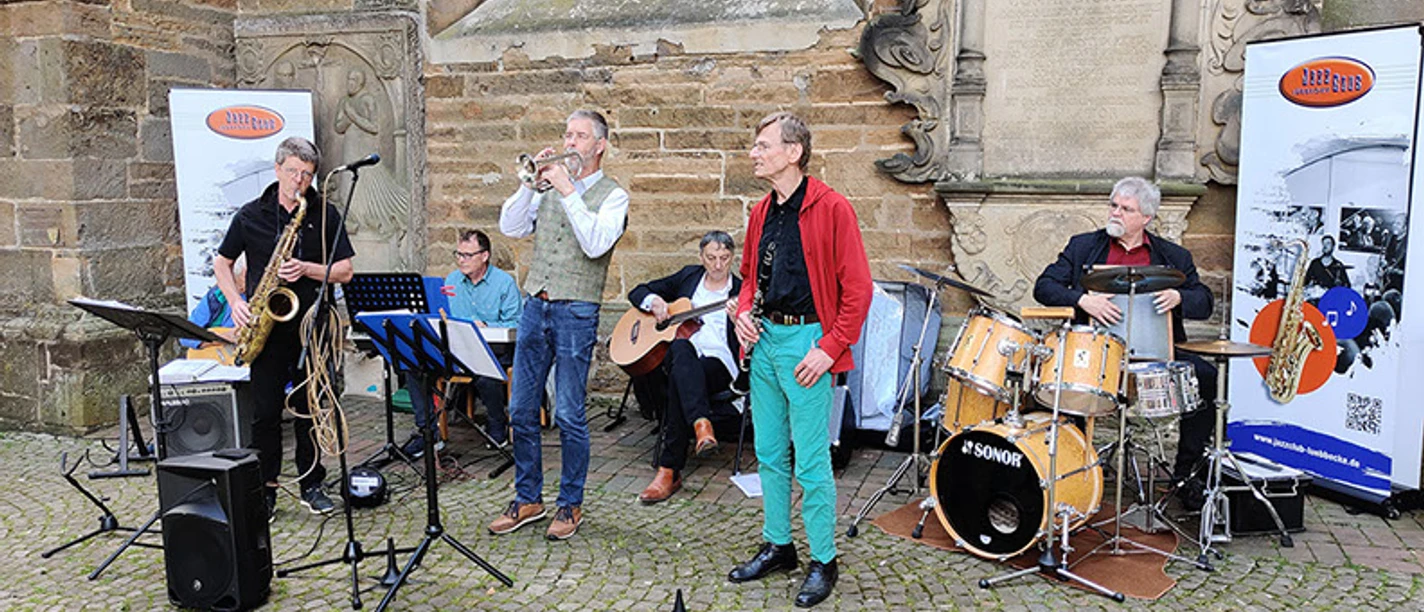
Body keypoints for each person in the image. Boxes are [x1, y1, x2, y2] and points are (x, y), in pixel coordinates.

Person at [727, 112, 872, 608]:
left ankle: (824, 560)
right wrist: (743, 314)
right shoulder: (761, 212)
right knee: (769, 453)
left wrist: (829, 348)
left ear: (793, 152)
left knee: (811, 461)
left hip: (808, 343)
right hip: (765, 341)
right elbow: (750, 278)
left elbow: (858, 290)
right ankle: (779, 546)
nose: (754, 153)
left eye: (763, 145)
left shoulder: (833, 207)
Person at [1033, 176, 1215, 508]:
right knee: (1066, 378)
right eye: (1113, 205)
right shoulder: (1084, 247)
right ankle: (1075, 470)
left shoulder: (1173, 256)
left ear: (1146, 217)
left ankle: (1187, 475)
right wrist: (1082, 300)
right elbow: (1043, 287)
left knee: (1206, 376)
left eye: (1126, 209)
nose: (1115, 213)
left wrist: (1179, 297)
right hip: (1096, 352)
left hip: (1155, 353)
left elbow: (1204, 302)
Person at [488, 110, 628, 541]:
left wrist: (568, 190)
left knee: (568, 413)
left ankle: (570, 503)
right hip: (536, 304)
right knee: (520, 409)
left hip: (576, 311)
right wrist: (528, 185)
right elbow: (510, 226)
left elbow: (596, 244)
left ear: (599, 145)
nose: (570, 142)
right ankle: (528, 498)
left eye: (580, 136)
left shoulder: (613, 196)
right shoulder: (548, 189)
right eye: (568, 134)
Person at [213, 136, 355, 520]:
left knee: (311, 408)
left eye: (307, 175)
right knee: (265, 413)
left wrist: (307, 268)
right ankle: (266, 489)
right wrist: (236, 301)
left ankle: (311, 483)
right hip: (267, 327)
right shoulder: (250, 215)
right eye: (293, 172)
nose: (299, 181)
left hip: (312, 326)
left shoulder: (324, 213)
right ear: (277, 170)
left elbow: (345, 271)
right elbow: (222, 263)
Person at [627, 231, 743, 504]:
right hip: (683, 356)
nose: (718, 265)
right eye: (711, 258)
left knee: (681, 379)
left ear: (732, 258)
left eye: (724, 258)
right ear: (701, 257)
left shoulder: (741, 291)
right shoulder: (689, 277)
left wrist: (740, 321)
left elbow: (753, 342)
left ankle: (669, 470)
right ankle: (701, 424)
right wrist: (655, 302)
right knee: (681, 350)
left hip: (719, 364)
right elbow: (637, 291)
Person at [399, 229, 523, 457]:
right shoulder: (452, 280)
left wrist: (485, 325)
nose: (461, 260)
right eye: (458, 254)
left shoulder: (504, 283)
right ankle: (428, 431)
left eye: (468, 255)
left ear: (484, 256)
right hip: (456, 348)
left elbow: (517, 323)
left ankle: (497, 423)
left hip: (493, 348)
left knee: (486, 373)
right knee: (414, 365)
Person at [181, 256, 246, 351]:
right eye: (244, 277)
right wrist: (221, 338)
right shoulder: (217, 296)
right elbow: (185, 335)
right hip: (220, 357)